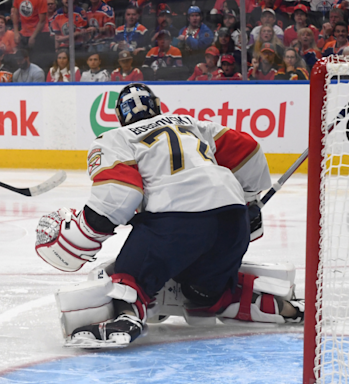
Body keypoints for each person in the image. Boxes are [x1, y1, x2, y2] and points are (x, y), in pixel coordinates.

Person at [35, 83, 304, 348]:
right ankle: (277, 306)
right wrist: (248, 199)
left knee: (127, 276)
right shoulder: (193, 124)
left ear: (119, 117)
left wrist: (84, 231)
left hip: (176, 224)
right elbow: (249, 152)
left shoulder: (117, 137)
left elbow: (119, 195)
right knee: (202, 293)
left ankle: (126, 317)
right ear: (159, 105)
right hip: (233, 222)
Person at [174, 6, 214, 71]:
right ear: (188, 18)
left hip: (200, 63)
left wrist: (186, 38)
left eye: (197, 15)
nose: (194, 18)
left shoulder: (206, 31)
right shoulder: (183, 30)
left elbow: (200, 46)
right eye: (192, 16)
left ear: (201, 17)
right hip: (185, 62)